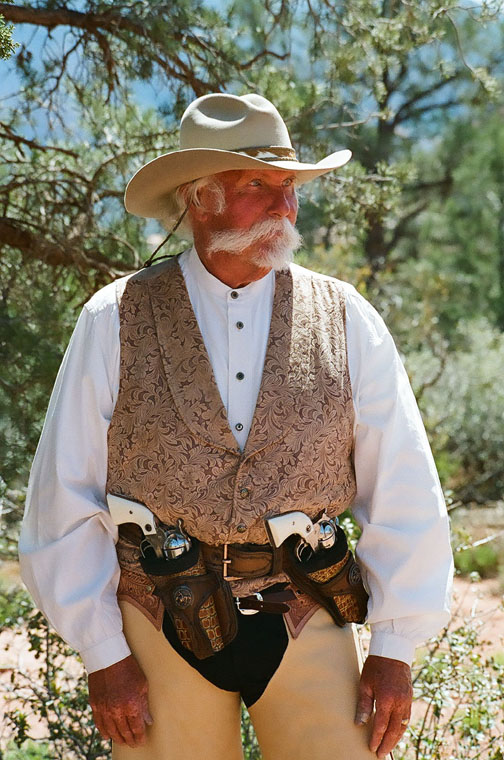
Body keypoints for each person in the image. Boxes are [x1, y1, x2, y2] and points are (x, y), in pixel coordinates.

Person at [19, 93, 453, 760]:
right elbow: (64, 492)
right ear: (200, 198)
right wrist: (103, 652)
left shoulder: (345, 318)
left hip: (306, 608)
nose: (285, 206)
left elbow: (403, 483)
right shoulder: (114, 318)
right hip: (157, 612)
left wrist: (395, 646)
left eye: (289, 187)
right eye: (258, 186)